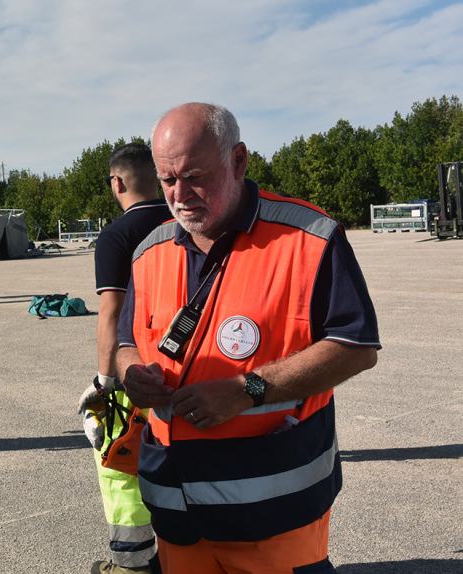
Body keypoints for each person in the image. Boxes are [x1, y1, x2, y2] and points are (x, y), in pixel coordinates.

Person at [116, 103, 380, 574]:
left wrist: (247, 390)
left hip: (274, 518)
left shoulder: (309, 238)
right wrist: (131, 374)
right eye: (167, 180)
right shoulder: (147, 252)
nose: (180, 194)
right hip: (176, 516)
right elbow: (125, 345)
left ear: (238, 160)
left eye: (194, 176)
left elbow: (356, 346)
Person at [77, 143, 170, 574]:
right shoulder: (181, 221)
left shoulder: (118, 236)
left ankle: (132, 565)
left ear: (117, 182)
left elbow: (111, 313)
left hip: (136, 370)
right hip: (188, 367)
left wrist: (103, 380)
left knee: (119, 463)